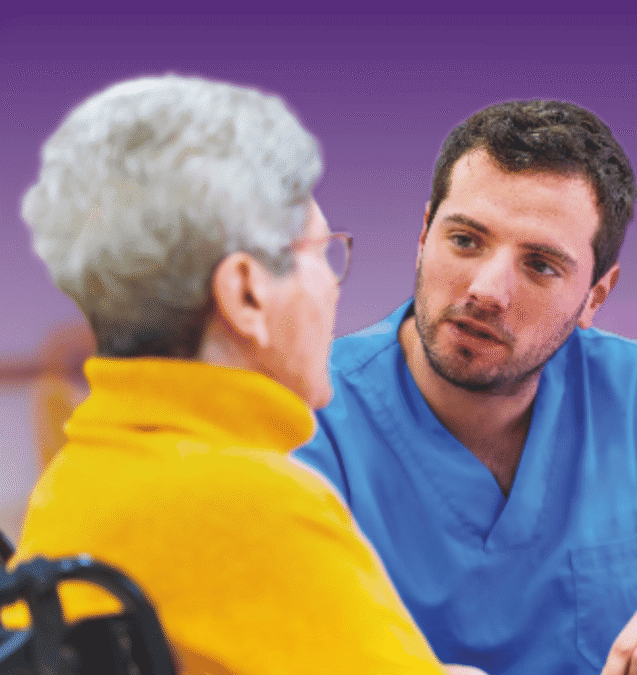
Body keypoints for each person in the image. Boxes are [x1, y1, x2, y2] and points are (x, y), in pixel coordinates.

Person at [9, 75, 483, 675]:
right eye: (321, 253)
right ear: (246, 294)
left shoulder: (76, 481)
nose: (332, 291)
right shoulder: (257, 504)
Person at [295, 99, 637, 675]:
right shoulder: (310, 409)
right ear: (423, 236)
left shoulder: (636, 392)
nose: (487, 290)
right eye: (465, 240)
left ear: (596, 295)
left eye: (540, 265)